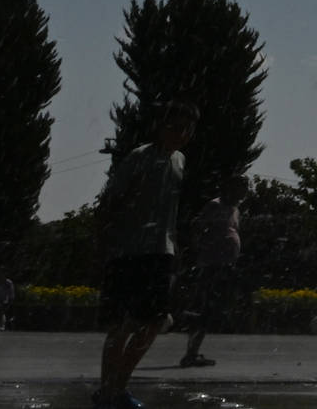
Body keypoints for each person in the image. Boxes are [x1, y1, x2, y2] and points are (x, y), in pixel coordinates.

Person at [95, 102, 197, 409]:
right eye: (175, 127)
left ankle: (118, 386)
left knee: (152, 324)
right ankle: (107, 390)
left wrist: (175, 248)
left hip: (159, 251)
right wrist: (103, 244)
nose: (181, 134)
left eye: (187, 129)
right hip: (128, 250)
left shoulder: (179, 161)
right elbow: (111, 201)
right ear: (160, 126)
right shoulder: (140, 157)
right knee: (121, 325)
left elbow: (172, 211)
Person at [174, 180, 243, 365]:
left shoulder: (235, 209)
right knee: (203, 309)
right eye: (238, 189)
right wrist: (201, 250)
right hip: (211, 264)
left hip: (225, 264)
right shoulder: (215, 205)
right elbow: (198, 226)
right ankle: (191, 353)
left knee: (211, 310)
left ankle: (194, 351)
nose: (241, 195)